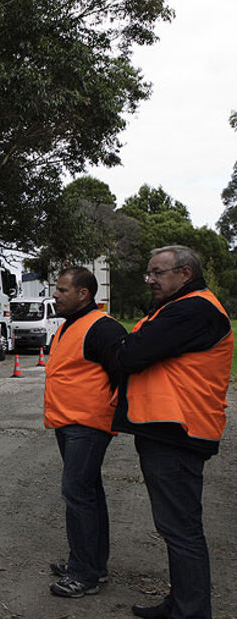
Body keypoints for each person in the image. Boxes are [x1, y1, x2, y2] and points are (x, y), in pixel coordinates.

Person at [107, 246, 231, 619]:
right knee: (175, 527)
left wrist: (125, 346)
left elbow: (130, 354)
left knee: (181, 529)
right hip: (170, 430)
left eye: (158, 273)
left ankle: (191, 611)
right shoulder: (179, 309)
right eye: (149, 273)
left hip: (179, 430)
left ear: (185, 274)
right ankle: (182, 604)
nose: (150, 280)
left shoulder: (194, 310)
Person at [42, 267, 126, 599]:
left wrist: (112, 411)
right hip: (68, 423)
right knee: (88, 493)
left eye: (62, 290)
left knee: (77, 494)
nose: (55, 295)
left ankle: (84, 573)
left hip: (87, 426)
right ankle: (92, 565)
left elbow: (125, 371)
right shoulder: (69, 326)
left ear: (83, 294)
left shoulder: (102, 328)